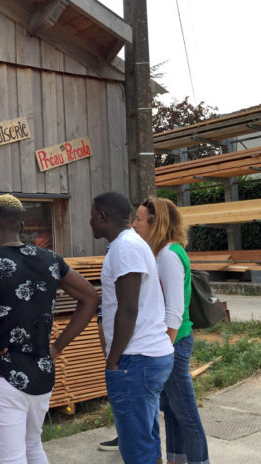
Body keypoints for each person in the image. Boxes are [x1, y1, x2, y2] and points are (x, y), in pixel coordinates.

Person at [0, 194, 100, 464]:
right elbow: (91, 297)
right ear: (21, 227)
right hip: (43, 374)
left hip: (6, 375)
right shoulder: (52, 260)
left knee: (13, 458)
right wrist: (57, 347)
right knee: (33, 446)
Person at [89, 191, 174, 464]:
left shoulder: (125, 247)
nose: (89, 221)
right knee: (146, 442)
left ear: (102, 216)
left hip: (136, 360)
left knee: (137, 450)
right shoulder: (130, 244)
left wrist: (112, 360)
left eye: (92, 215)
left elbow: (128, 308)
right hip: (145, 358)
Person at [133, 197, 209, 464]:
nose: (134, 224)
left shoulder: (167, 255)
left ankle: (199, 461)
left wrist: (163, 351)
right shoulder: (163, 252)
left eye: (139, 219)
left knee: (185, 411)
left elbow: (174, 311)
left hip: (173, 343)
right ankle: (177, 459)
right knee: (172, 410)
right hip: (171, 343)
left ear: (156, 223)